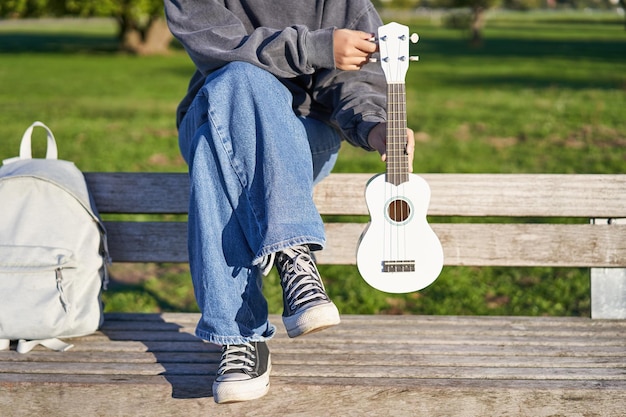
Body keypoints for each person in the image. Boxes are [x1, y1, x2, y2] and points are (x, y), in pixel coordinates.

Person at [164, 0, 415, 404]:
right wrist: (315, 48)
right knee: (241, 79)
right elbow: (222, 49)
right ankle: (293, 254)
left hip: (301, 135)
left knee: (215, 155)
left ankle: (239, 338)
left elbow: (356, 81)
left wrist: (374, 125)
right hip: (212, 111)